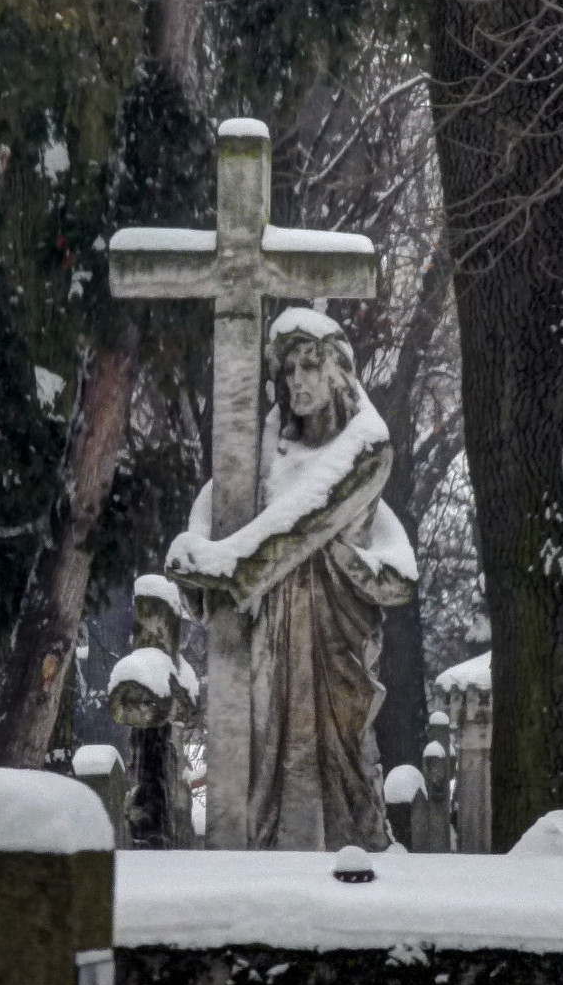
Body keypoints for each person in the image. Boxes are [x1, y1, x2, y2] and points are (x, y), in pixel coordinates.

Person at [168, 309, 416, 850]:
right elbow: (222, 504)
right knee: (267, 756)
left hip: (336, 642)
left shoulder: (367, 449)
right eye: (288, 372)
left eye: (310, 365)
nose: (297, 381)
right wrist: (193, 547)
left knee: (342, 762)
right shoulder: (269, 451)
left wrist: (226, 566)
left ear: (337, 374)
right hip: (271, 637)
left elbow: (301, 527)